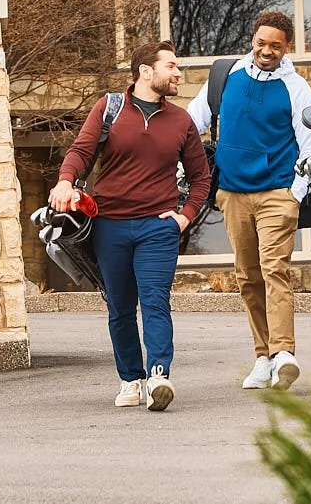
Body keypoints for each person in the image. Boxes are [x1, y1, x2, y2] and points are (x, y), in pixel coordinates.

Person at [51, 41, 213, 411]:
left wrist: (184, 217)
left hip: (158, 228)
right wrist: (64, 181)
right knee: (120, 307)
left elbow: (201, 177)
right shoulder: (109, 108)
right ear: (145, 71)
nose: (178, 73)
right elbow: (80, 152)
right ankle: (131, 379)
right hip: (109, 225)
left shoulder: (181, 121)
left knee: (155, 300)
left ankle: (158, 376)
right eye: (171, 66)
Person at [186, 9, 311, 391]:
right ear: (252, 40)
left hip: (277, 192)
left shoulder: (296, 88)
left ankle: (285, 354)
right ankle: (264, 357)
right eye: (261, 43)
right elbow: (192, 123)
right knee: (247, 276)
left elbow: (309, 144)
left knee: (274, 269)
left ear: (286, 47)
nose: (267, 51)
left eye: (275, 46)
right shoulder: (226, 77)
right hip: (233, 194)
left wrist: (295, 192)